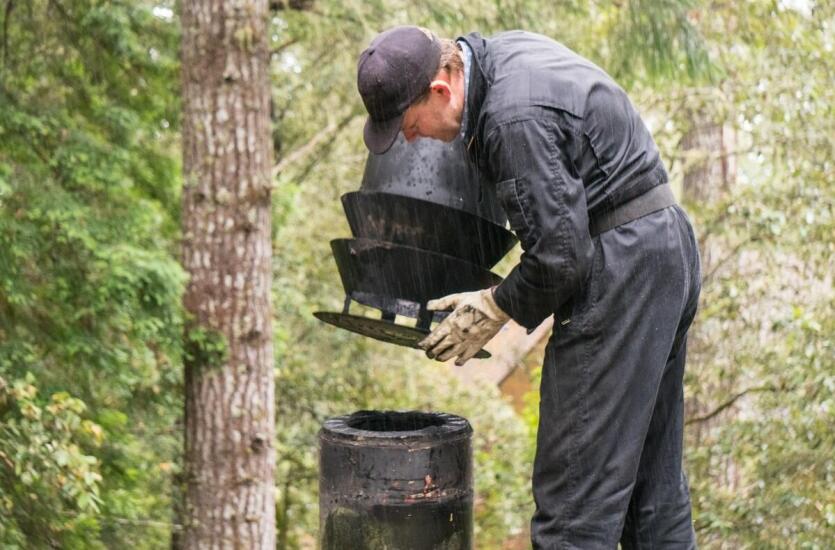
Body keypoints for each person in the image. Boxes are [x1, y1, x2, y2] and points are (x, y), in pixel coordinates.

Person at [356, 25, 701, 549]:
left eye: (408, 124)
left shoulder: (510, 119)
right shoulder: (501, 60)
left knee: (572, 509)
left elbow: (561, 258)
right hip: (662, 249)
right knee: (652, 497)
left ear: (441, 90)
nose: (410, 138)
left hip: (622, 271)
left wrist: (496, 304)